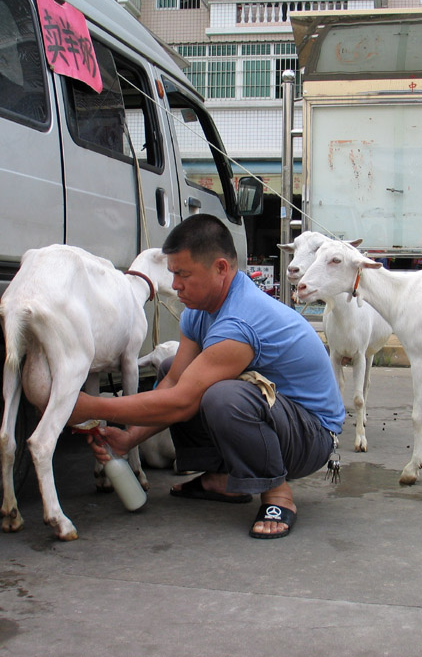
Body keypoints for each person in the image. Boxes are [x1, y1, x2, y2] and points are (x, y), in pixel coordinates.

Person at [68, 214, 345, 539]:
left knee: (223, 396)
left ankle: (277, 492)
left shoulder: (240, 321)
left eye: (184, 275)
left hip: (312, 435)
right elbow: (173, 384)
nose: (175, 286)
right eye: (173, 274)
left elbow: (182, 402)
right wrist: (129, 437)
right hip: (280, 420)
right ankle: (220, 477)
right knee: (173, 367)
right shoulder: (200, 311)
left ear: (221, 269)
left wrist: (90, 406)